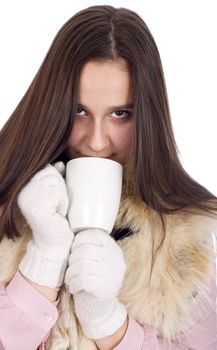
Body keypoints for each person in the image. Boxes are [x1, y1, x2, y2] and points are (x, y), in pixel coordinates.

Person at [0, 4, 216, 350]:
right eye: (79, 110)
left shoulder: (183, 238)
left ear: (148, 116)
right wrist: (42, 265)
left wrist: (108, 323)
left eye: (120, 113)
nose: (97, 141)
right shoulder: (5, 198)